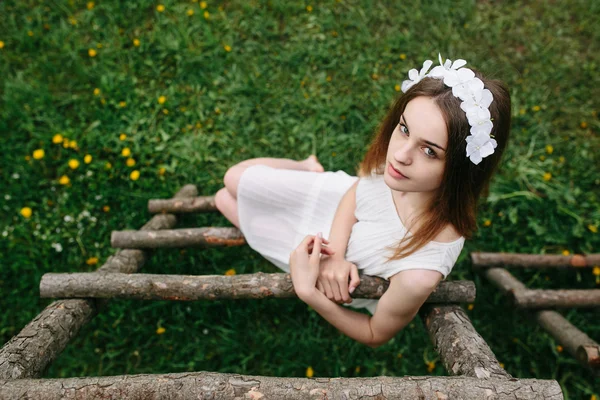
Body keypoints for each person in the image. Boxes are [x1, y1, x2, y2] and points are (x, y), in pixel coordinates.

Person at [215, 54, 511, 348]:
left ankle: (297, 188)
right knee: (233, 179)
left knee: (225, 202)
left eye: (430, 151)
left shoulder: (419, 273)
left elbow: (374, 333)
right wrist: (337, 255)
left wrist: (309, 292)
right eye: (404, 128)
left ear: (462, 170)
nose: (399, 155)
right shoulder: (402, 170)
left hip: (320, 256)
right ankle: (306, 166)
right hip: (334, 216)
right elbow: (355, 193)